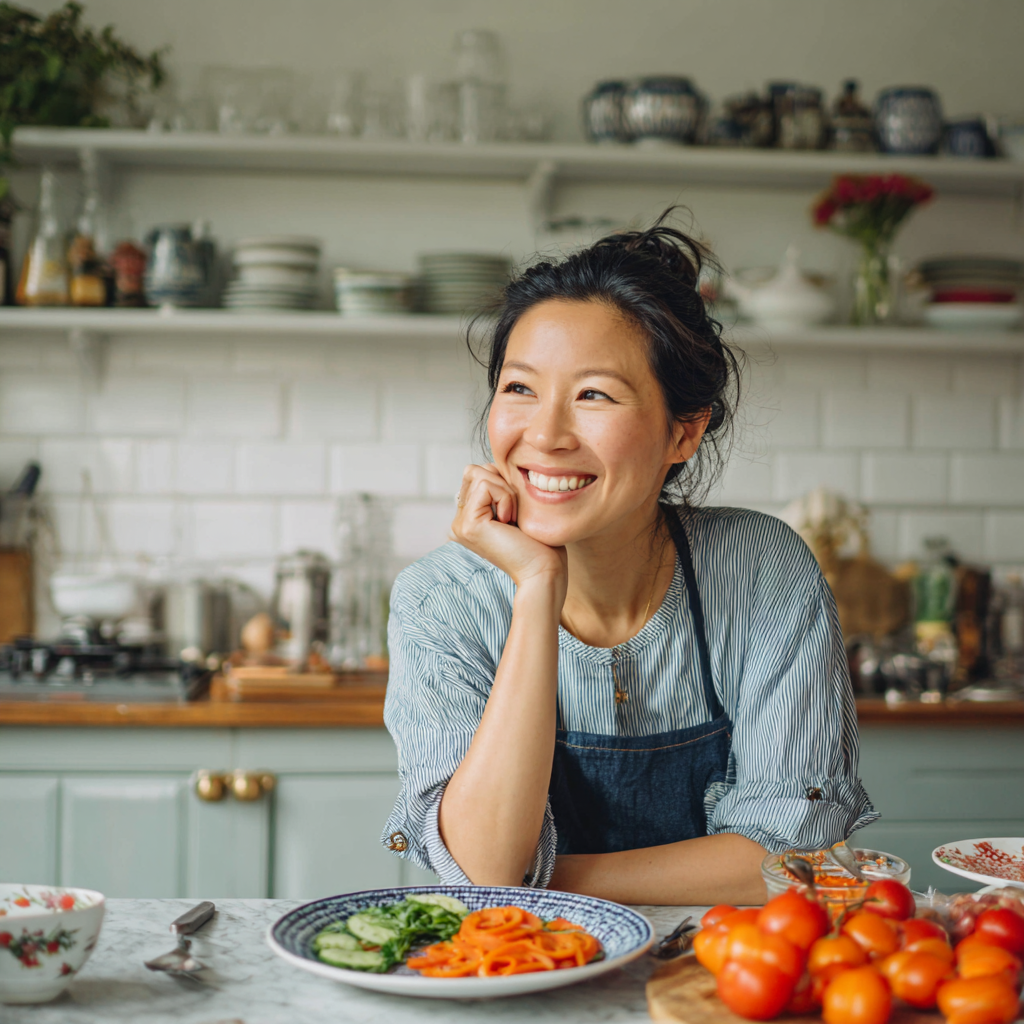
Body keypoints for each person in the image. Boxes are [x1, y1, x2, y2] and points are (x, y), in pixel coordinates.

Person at [381, 212, 876, 905]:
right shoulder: (441, 599)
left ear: (684, 430)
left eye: (594, 395)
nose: (545, 435)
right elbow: (486, 862)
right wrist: (535, 585)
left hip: (721, 982)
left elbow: (789, 856)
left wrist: (536, 882)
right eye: (519, 388)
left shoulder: (764, 571)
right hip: (519, 980)